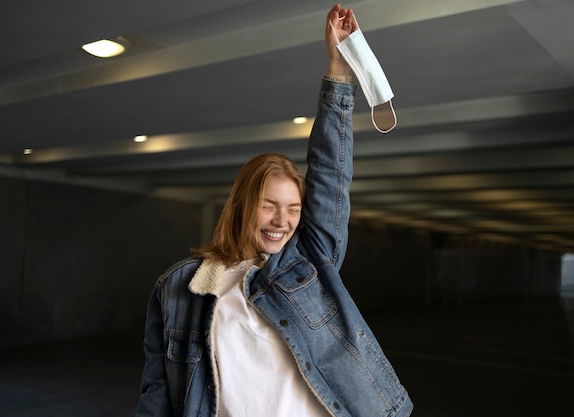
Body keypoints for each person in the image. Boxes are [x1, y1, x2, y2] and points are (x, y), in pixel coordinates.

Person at [136, 4, 413, 417]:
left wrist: (338, 69)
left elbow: (330, 176)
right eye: (268, 207)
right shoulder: (180, 288)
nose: (282, 221)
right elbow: (157, 390)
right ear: (242, 205)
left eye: (293, 209)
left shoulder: (308, 263)